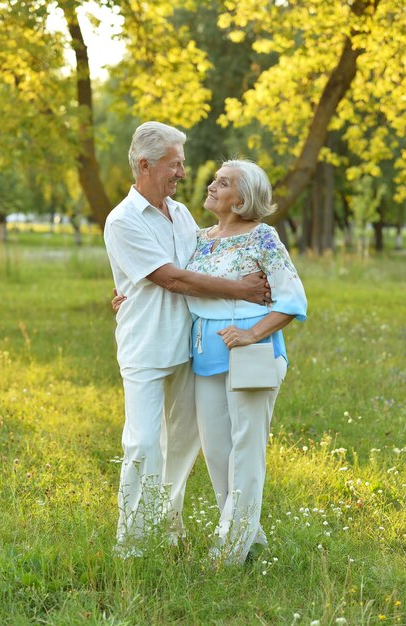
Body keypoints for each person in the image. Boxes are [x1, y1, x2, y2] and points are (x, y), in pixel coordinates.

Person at [104, 122, 270, 556]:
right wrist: (243, 290)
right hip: (145, 345)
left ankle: (168, 527)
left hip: (189, 347)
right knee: (142, 441)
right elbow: (173, 278)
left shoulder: (179, 214)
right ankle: (134, 543)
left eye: (181, 162)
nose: (183, 172)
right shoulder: (122, 220)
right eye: (175, 163)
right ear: (145, 164)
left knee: (181, 444)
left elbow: (209, 260)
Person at [184, 159, 307, 564]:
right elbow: (177, 283)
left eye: (224, 182)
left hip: (252, 354)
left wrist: (252, 335)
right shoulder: (200, 238)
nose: (212, 185)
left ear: (241, 199)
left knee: (246, 451)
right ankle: (248, 539)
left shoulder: (263, 237)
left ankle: (228, 552)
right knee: (217, 452)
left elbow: (293, 299)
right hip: (205, 354)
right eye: (215, 179)